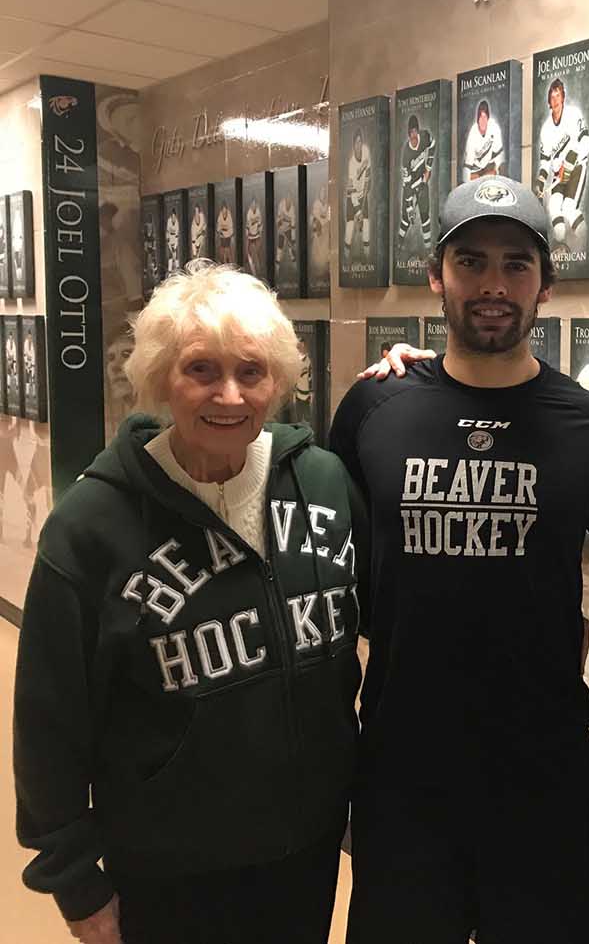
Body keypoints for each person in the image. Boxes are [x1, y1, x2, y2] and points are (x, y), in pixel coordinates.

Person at [13, 261, 366, 944]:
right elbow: (47, 726)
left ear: (281, 380)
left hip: (309, 851)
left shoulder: (322, 483)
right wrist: (78, 887)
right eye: (201, 369)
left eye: (252, 371)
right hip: (170, 870)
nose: (229, 394)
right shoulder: (90, 527)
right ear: (159, 378)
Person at [332, 175, 589, 944]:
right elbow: (335, 562)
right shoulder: (375, 407)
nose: (494, 285)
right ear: (435, 276)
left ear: (546, 283)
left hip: (540, 768)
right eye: (470, 262)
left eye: (516, 263)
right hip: (404, 765)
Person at [535, 78, 589, 247]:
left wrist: (571, 160)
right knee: (553, 207)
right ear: (549, 102)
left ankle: (585, 246)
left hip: (576, 167)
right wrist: (541, 181)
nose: (555, 100)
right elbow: (545, 161)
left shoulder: (573, 115)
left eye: (558, 96)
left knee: (568, 208)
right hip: (559, 174)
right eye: (552, 97)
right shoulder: (546, 128)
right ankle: (562, 248)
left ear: (563, 98)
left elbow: (586, 142)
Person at [398, 113, 436, 249]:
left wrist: (428, 167)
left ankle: (428, 250)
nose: (413, 136)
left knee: (425, 215)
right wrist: (409, 207)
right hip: (409, 185)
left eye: (415, 132)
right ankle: (399, 244)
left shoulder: (425, 136)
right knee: (406, 218)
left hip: (422, 181)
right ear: (408, 135)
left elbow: (433, 144)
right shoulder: (406, 153)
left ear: (418, 131)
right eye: (411, 133)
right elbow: (407, 183)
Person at [344, 130, 372, 261]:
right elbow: (351, 191)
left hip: (363, 195)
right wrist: (358, 210)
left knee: (366, 223)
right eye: (356, 143)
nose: (359, 145)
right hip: (352, 197)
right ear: (353, 145)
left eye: (360, 142)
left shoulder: (366, 151)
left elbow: (368, 175)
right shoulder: (351, 164)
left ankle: (367, 256)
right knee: (350, 227)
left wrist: (367, 185)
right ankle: (345, 256)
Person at [464, 100, 505, 181]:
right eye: (480, 118)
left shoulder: (494, 127)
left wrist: (500, 173)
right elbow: (468, 163)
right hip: (474, 167)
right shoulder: (472, 135)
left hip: (488, 164)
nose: (483, 121)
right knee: (474, 188)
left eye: (485, 117)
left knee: (491, 185)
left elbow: (499, 153)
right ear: (477, 119)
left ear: (488, 118)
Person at [215, 198, 235, 265]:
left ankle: (228, 262)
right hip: (222, 235)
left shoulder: (229, 215)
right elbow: (218, 227)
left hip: (228, 235)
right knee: (222, 249)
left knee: (227, 249)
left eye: (225, 209)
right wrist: (221, 230)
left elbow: (230, 227)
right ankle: (223, 262)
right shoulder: (220, 215)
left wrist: (227, 231)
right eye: (223, 209)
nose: (224, 211)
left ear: (226, 209)